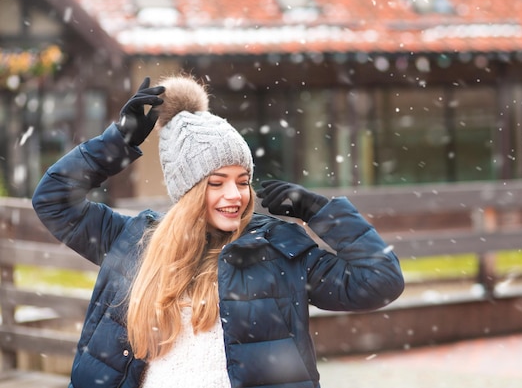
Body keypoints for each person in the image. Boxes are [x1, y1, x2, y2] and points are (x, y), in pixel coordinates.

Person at [32, 74, 405, 388]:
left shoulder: (276, 247)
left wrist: (320, 212)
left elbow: (379, 280)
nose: (235, 195)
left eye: (242, 181)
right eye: (217, 183)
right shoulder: (133, 240)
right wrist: (118, 143)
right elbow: (53, 200)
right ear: (188, 190)